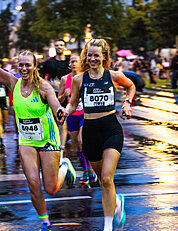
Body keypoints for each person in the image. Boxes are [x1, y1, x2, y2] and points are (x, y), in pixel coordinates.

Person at [0, 29, 76, 231]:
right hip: (27, 140)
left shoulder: (43, 86)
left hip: (48, 139)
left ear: (35, 66)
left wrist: (61, 110)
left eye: (28, 65)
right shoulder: (13, 82)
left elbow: (55, 104)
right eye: (21, 65)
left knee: (51, 188)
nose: (24, 68)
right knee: (33, 183)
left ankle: (65, 168)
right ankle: (45, 222)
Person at [62, 39, 136, 231]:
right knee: (102, 181)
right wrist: (64, 111)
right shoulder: (79, 79)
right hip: (90, 132)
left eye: (97, 55)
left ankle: (108, 226)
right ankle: (116, 201)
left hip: (111, 129)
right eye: (90, 55)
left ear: (104, 56)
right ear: (86, 57)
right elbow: (73, 103)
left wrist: (127, 103)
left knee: (106, 178)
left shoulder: (113, 76)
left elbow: (131, 86)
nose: (93, 58)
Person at [58, 54, 97, 185]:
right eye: (72, 61)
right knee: (77, 144)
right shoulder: (65, 79)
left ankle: (90, 168)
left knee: (81, 140)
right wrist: (65, 94)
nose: (74, 64)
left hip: (85, 114)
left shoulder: (86, 77)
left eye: (77, 61)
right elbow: (58, 101)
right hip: (72, 115)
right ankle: (86, 170)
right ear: (69, 63)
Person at [40, 39, 70, 150]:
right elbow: (41, 78)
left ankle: (61, 146)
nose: (59, 47)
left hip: (67, 94)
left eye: (61, 45)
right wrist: (48, 84)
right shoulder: (48, 62)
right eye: (57, 45)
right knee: (56, 119)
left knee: (63, 119)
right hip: (53, 94)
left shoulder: (69, 61)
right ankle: (56, 143)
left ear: (65, 47)